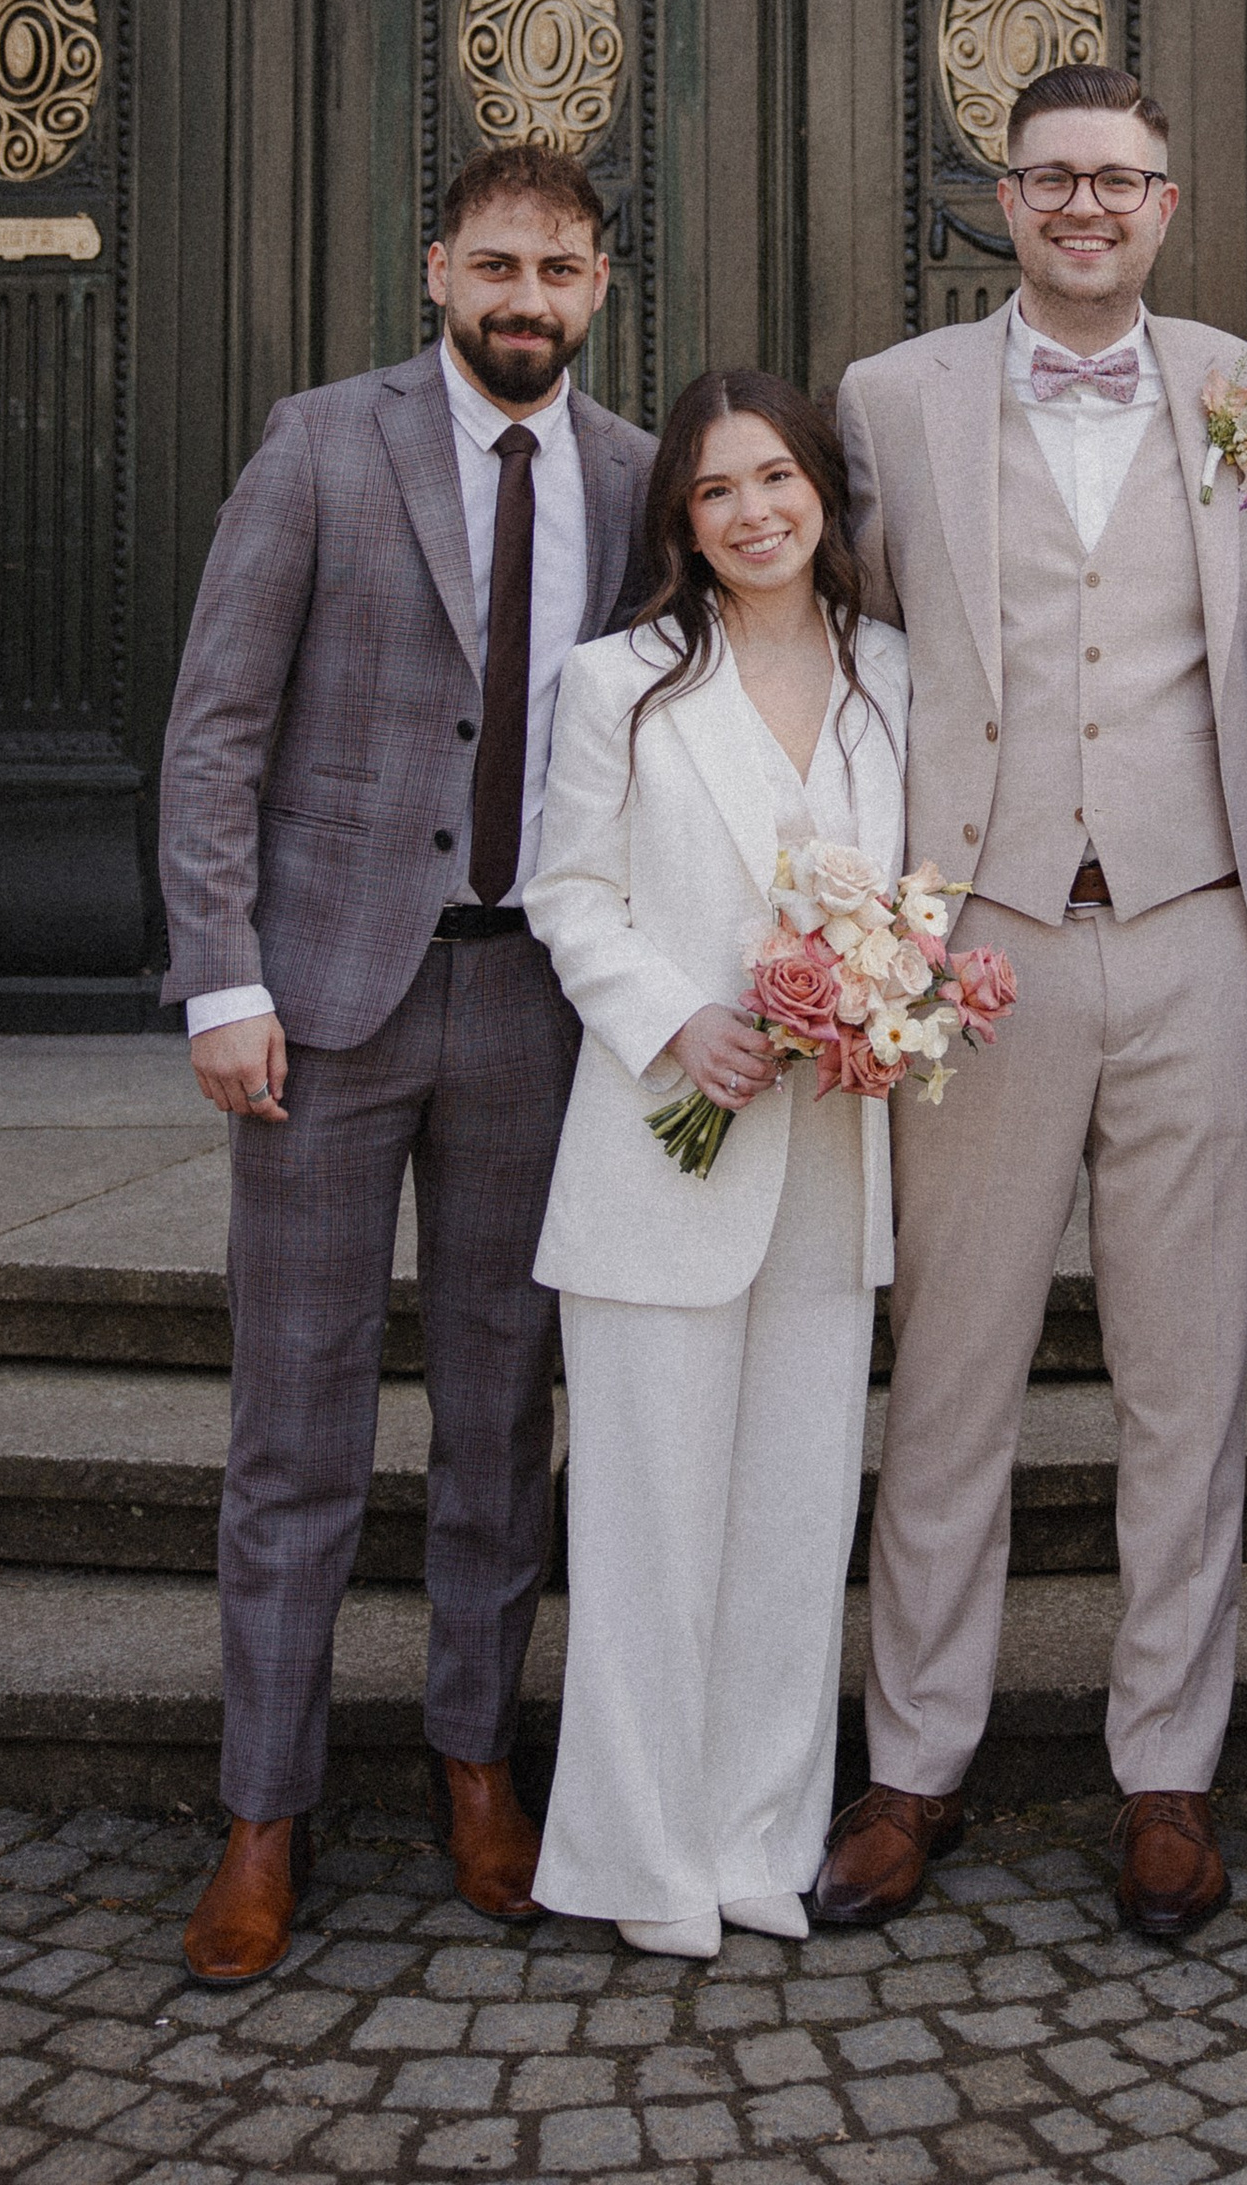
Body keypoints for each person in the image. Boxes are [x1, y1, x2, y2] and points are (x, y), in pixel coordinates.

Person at [158, 147, 656, 1985]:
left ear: (601, 285)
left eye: (563, 269)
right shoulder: (317, 443)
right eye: (499, 263)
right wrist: (222, 978)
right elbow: (214, 732)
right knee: (292, 1428)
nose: (527, 296)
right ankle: (263, 1810)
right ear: (437, 262)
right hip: (326, 1005)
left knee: (497, 1422)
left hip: (535, 1008)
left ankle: (475, 1762)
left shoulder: (626, 477)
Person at [820, 63, 1247, 1939]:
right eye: (1048, 177)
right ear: (1001, 200)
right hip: (979, 942)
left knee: (1189, 1381)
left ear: (1167, 199)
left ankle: (1168, 1771)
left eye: (1118, 177)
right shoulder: (889, 399)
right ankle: (910, 1764)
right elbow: (851, 635)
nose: (1083, 204)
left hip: (1197, 931)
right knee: (950, 1374)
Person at [520, 372, 907, 1960]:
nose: (752, 512)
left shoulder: (891, 671)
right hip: (658, 1154)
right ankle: (637, 1852)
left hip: (827, 1154)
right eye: (715, 491)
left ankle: (761, 1835)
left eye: (775, 479)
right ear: (680, 519)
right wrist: (681, 1022)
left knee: (795, 1522)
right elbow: (570, 892)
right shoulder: (622, 680)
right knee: (646, 1525)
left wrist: (889, 995)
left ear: (822, 489)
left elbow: (911, 888)